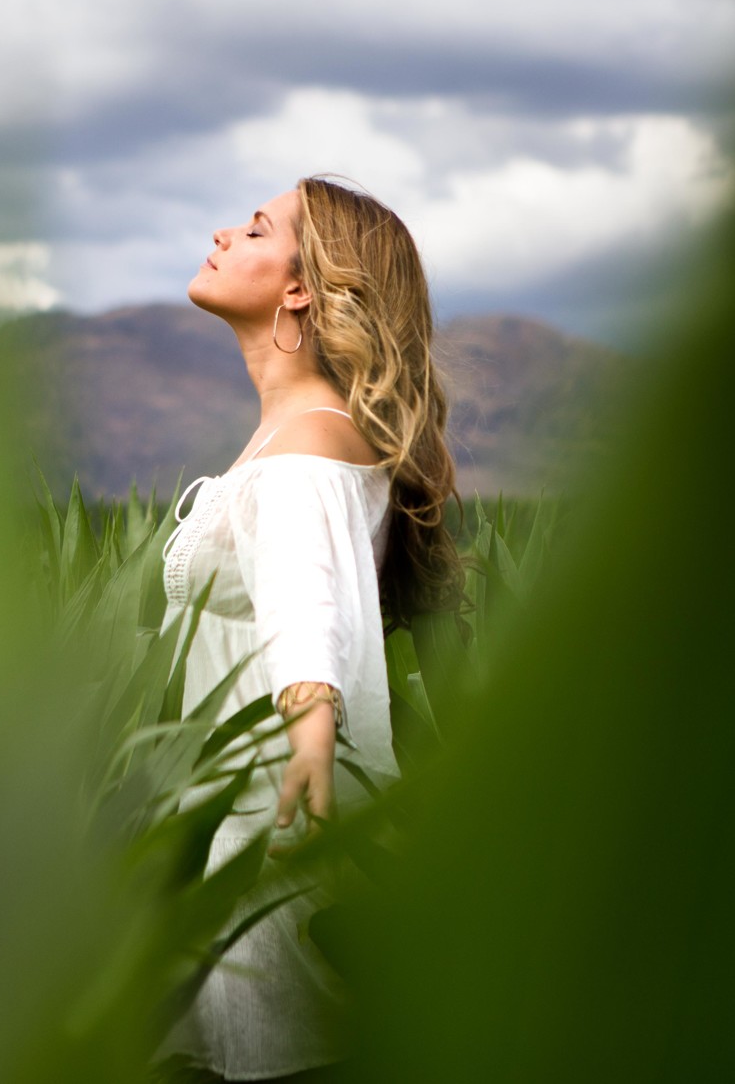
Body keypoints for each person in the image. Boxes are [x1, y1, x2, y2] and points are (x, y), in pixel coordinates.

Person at [153, 175, 464, 1081]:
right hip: (251, 827)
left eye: (254, 227)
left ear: (299, 288)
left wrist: (309, 722)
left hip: (277, 830)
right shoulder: (304, 430)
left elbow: (303, 606)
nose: (222, 230)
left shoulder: (303, 451)